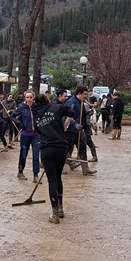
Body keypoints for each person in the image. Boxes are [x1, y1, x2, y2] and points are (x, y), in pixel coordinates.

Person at [32, 92, 75, 223]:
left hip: (46, 149)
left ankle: (55, 214)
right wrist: (64, 121)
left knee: (52, 180)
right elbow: (71, 112)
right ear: (47, 99)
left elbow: (37, 131)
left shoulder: (36, 115)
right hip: (61, 148)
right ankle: (61, 209)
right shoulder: (56, 107)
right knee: (58, 177)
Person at [64, 86, 97, 176]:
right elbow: (65, 116)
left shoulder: (81, 102)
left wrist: (87, 113)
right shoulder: (71, 102)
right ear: (79, 93)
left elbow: (80, 114)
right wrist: (74, 124)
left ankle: (85, 169)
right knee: (65, 150)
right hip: (70, 130)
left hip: (80, 130)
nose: (86, 96)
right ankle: (61, 167)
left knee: (82, 147)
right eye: (84, 94)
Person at [11, 90, 41, 183]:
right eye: (27, 97)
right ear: (25, 98)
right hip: (25, 135)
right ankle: (20, 172)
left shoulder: (37, 107)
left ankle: (36, 175)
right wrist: (20, 123)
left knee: (36, 155)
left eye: (30, 97)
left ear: (33, 97)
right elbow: (12, 116)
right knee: (23, 154)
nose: (29, 99)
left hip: (36, 135)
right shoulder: (21, 107)